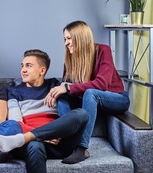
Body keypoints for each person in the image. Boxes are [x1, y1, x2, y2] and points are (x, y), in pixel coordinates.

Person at [45, 20, 130, 164]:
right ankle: (68, 142)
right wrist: (55, 92)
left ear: (80, 37)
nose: (66, 43)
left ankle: (82, 149)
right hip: (91, 100)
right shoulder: (70, 60)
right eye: (65, 39)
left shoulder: (103, 50)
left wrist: (67, 88)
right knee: (62, 97)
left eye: (69, 38)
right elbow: (66, 85)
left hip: (117, 98)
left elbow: (101, 84)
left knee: (90, 93)